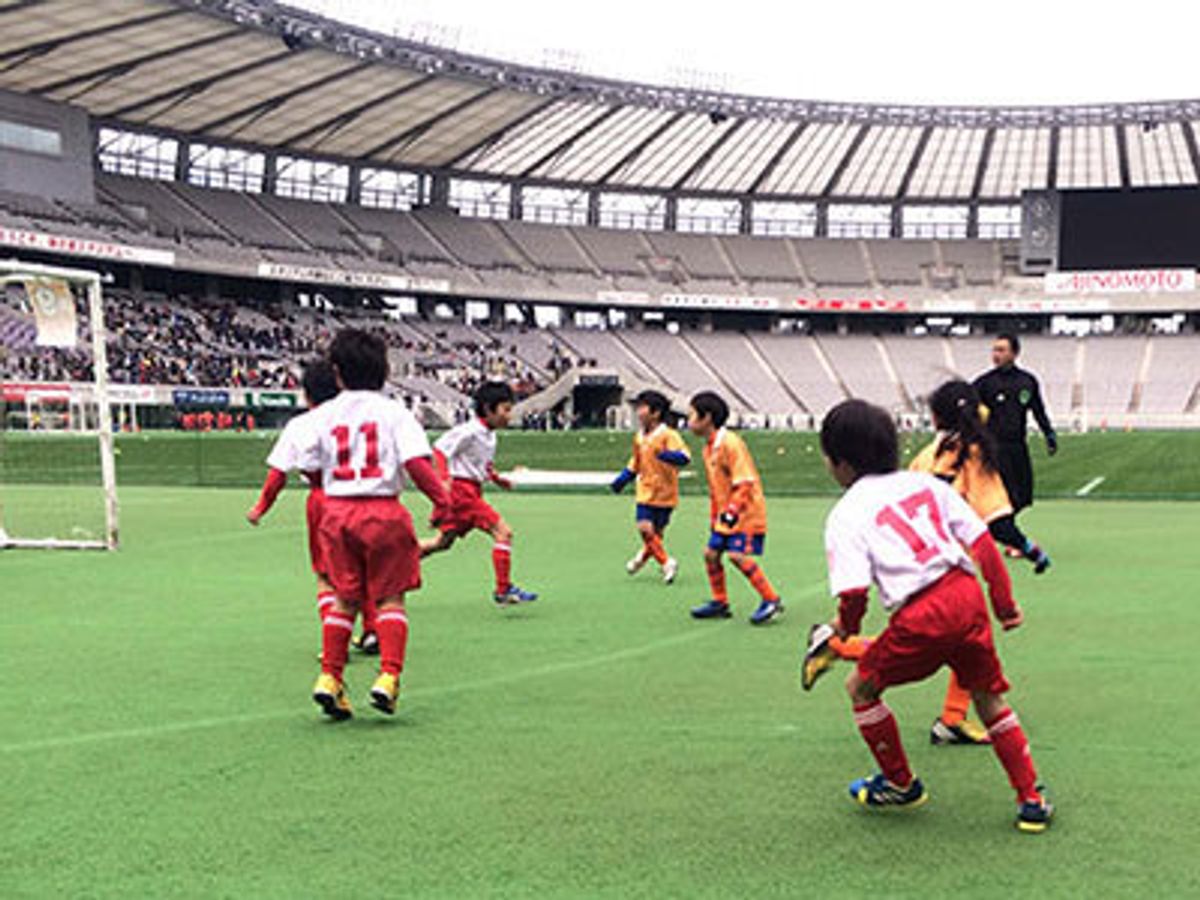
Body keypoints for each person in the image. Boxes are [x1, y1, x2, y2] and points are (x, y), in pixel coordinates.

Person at [804, 399, 1053, 833]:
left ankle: (901, 784)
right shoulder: (927, 485)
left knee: (861, 687)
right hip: (967, 595)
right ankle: (1031, 800)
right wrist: (1005, 606)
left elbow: (853, 593)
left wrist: (845, 627)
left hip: (923, 613)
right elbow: (984, 543)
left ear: (839, 462)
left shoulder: (845, 514)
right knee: (989, 698)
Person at [297, 329, 450, 720]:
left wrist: (332, 490)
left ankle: (330, 678)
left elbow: (309, 467)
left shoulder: (323, 415)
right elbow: (417, 465)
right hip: (383, 512)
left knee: (343, 598)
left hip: (337, 513)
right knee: (390, 598)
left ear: (336, 372)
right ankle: (388, 677)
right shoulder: (395, 413)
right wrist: (443, 502)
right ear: (384, 371)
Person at [246, 359, 379, 654]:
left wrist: (260, 508)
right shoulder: (359, 418)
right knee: (363, 565)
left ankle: (336, 641)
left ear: (307, 394)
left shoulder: (300, 425)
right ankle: (372, 630)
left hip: (324, 499)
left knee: (326, 574)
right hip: (362, 494)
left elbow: (278, 473)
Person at [419, 382, 538, 606]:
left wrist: (496, 479)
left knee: (442, 544)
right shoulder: (469, 430)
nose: (509, 415)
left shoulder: (490, 435)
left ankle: (392, 565)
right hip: (462, 493)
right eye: (505, 409)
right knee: (503, 532)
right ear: (488, 408)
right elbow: (440, 450)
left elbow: (480, 465)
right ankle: (503, 590)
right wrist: (443, 479)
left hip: (471, 491)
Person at [686, 391, 783, 625]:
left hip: (744, 513)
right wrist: (716, 518)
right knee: (711, 555)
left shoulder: (730, 443)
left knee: (737, 556)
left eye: (691, 415)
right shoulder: (709, 447)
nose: (687, 421)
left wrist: (731, 513)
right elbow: (717, 489)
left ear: (706, 417)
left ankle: (771, 599)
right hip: (724, 515)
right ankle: (720, 601)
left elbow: (745, 483)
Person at [973, 334, 1057, 536]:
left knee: (1023, 495)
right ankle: (1010, 537)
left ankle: (998, 530)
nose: (996, 354)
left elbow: (1038, 410)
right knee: (1005, 493)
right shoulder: (984, 383)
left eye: (1001, 350)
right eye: (994, 350)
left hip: (1018, 445)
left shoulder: (1027, 381)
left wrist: (1049, 434)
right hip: (993, 448)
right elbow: (970, 413)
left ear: (1014, 353)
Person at [609, 390, 689, 584]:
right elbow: (636, 462)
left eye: (643, 407)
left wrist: (667, 456)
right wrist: (623, 478)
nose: (639, 411)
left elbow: (685, 457)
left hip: (666, 492)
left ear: (656, 412)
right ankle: (667, 563)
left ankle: (640, 559)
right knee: (645, 528)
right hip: (645, 490)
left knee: (656, 535)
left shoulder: (668, 434)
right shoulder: (639, 437)